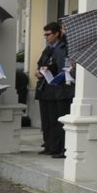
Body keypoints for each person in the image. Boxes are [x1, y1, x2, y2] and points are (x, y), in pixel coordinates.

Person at [36, 20, 73, 157]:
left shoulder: (64, 47)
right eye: (45, 35)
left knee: (57, 121)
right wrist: (39, 71)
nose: (46, 37)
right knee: (47, 121)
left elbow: (62, 66)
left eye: (49, 34)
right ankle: (50, 145)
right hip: (45, 88)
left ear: (57, 33)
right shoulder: (49, 49)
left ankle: (59, 147)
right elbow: (42, 63)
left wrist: (51, 69)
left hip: (60, 89)